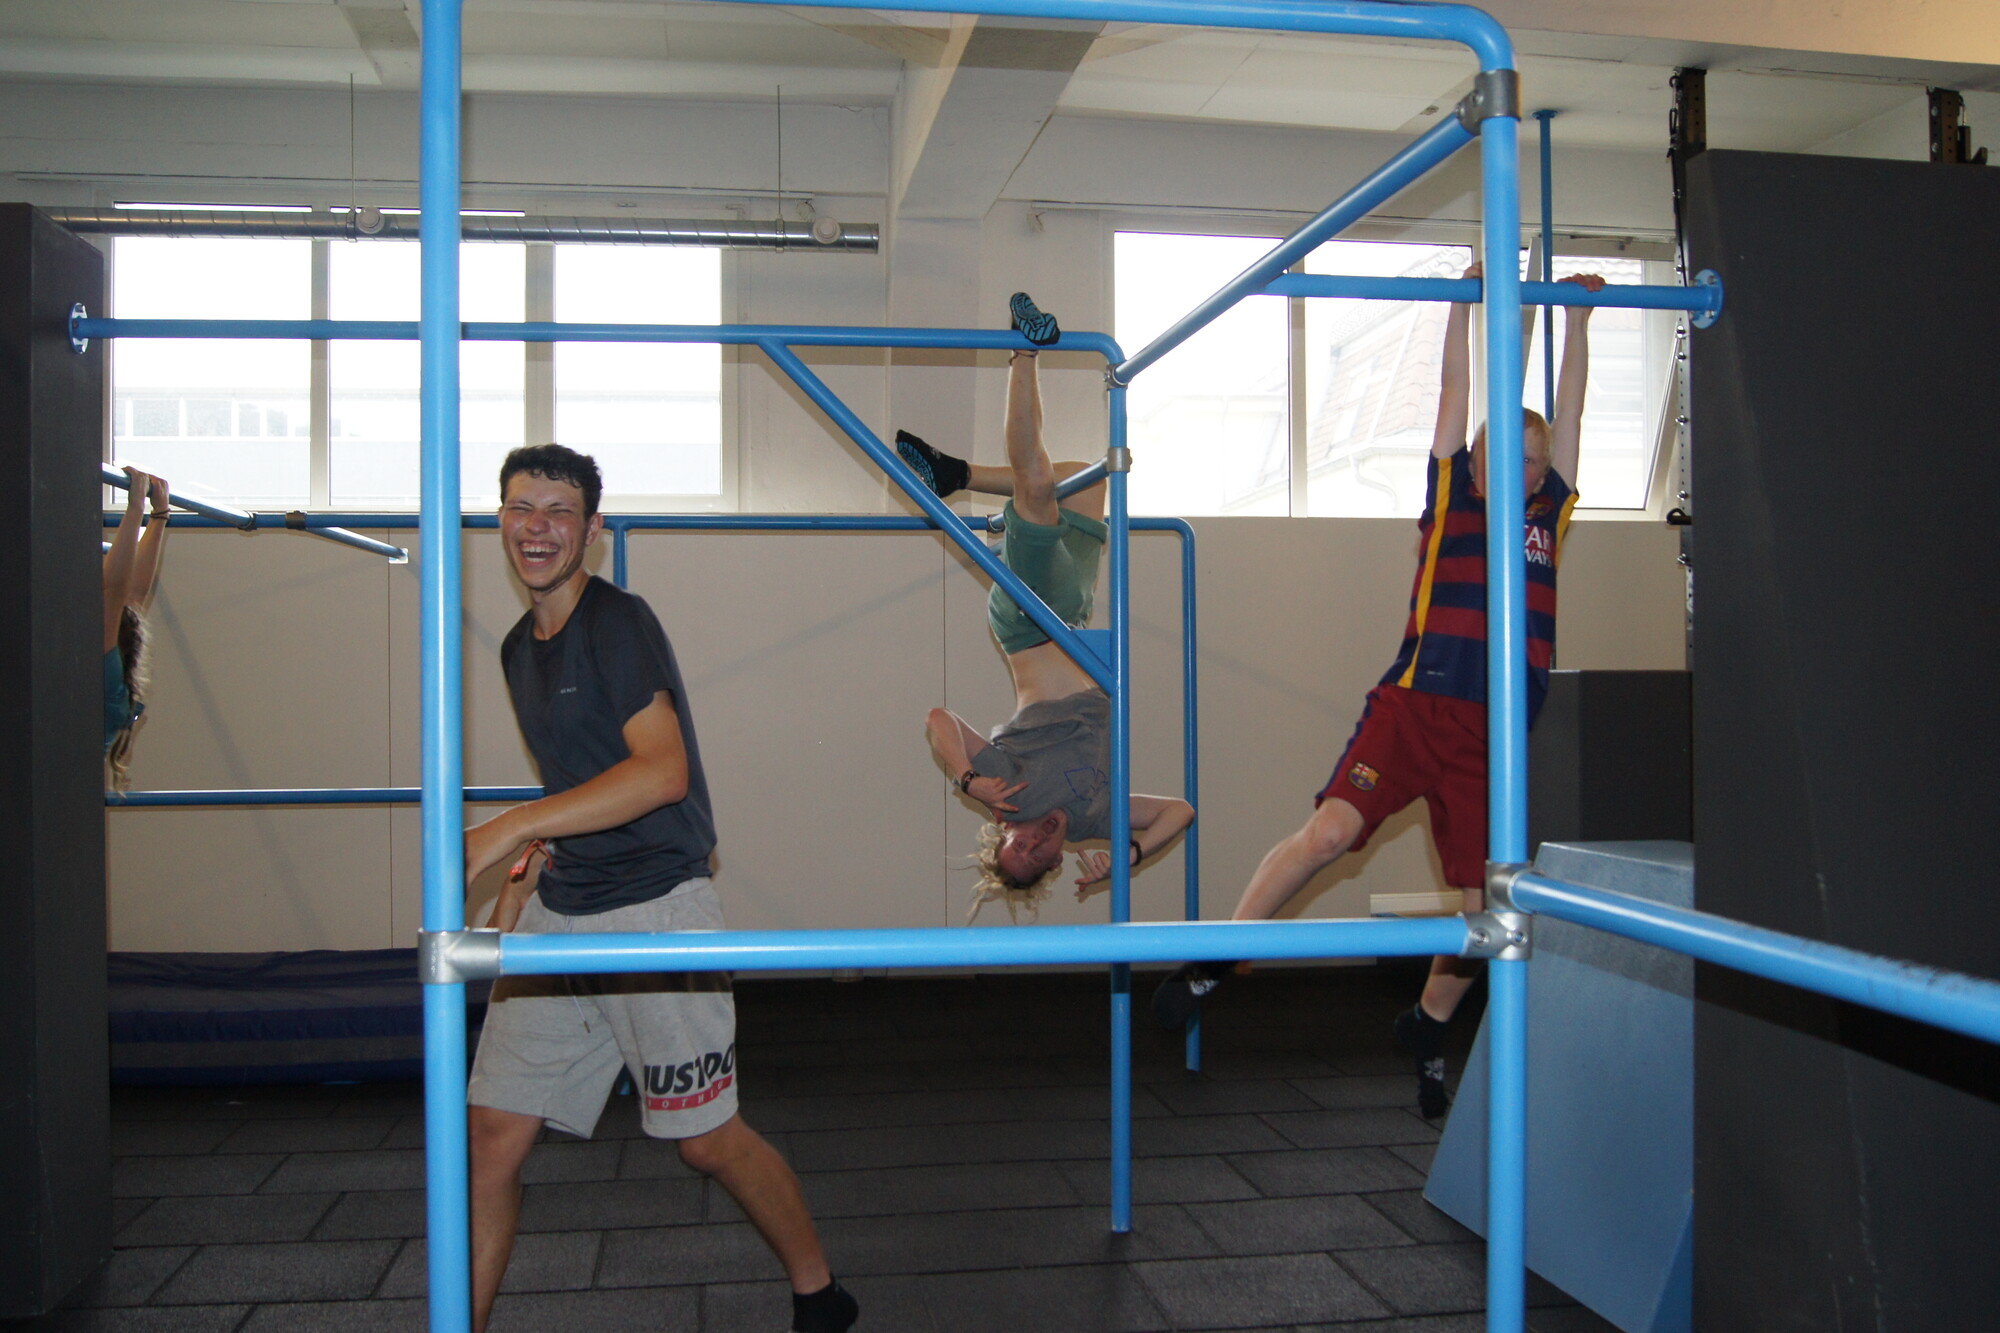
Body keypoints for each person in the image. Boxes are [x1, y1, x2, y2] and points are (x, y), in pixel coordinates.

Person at [1151, 265, 1606, 1119]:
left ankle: (1427, 1022)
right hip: (1413, 707)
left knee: (1486, 907)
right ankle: (1216, 958)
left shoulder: (1548, 514)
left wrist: (1579, 322)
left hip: (1495, 734)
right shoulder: (1453, 494)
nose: (1527, 469)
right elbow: (1457, 389)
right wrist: (1462, 308)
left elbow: (1572, 414)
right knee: (1329, 833)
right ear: (1478, 461)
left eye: (1539, 461)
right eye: (1511, 456)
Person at [460, 444, 856, 1333]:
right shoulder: (518, 649)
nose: (537, 526)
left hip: (653, 908)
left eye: (560, 511)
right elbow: (580, 782)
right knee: (490, 1139)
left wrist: (511, 826)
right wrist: (526, 871)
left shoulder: (618, 622)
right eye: (522, 507)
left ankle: (820, 1293)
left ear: (591, 531)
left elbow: (661, 772)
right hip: (566, 907)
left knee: (707, 1141)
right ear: (501, 522)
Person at [899, 295, 1194, 920]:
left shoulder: (1009, 794)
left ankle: (1024, 349)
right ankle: (958, 474)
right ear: (1058, 863)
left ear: (1006, 832)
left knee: (1036, 485)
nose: (1034, 840)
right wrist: (1132, 855)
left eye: (1018, 845)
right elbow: (1179, 811)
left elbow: (937, 718)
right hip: (1072, 612)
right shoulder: (1093, 819)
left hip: (1031, 624)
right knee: (1088, 477)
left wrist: (968, 779)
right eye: (1038, 856)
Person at [103, 466, 172, 789]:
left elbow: (114, 592)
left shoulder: (106, 680)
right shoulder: (114, 680)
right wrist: (158, 516)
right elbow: (130, 594)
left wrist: (135, 509)